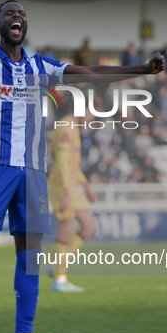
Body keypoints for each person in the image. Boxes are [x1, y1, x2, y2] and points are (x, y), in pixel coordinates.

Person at [0, 0, 165, 333]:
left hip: (32, 171)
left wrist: (142, 68)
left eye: (22, 15)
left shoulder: (41, 66)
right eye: (10, 14)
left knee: (30, 255)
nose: (18, 18)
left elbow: (90, 73)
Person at [48, 111, 97, 292]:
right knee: (66, 230)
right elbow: (60, 162)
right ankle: (59, 281)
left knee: (89, 227)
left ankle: (57, 266)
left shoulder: (74, 127)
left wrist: (86, 186)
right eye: (90, 112)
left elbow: (71, 164)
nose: (92, 117)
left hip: (72, 185)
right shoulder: (66, 126)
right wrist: (67, 193)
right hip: (61, 185)